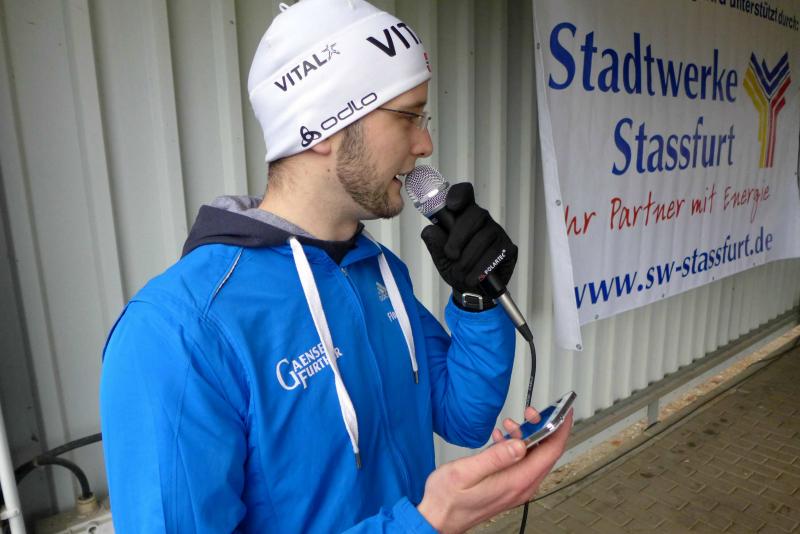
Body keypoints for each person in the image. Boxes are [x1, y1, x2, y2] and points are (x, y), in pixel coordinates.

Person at [99, 0, 571, 532]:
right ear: (320, 125)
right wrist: (426, 522)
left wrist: (476, 300)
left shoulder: (379, 271)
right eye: (408, 116)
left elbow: (464, 416)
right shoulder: (178, 331)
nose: (425, 144)